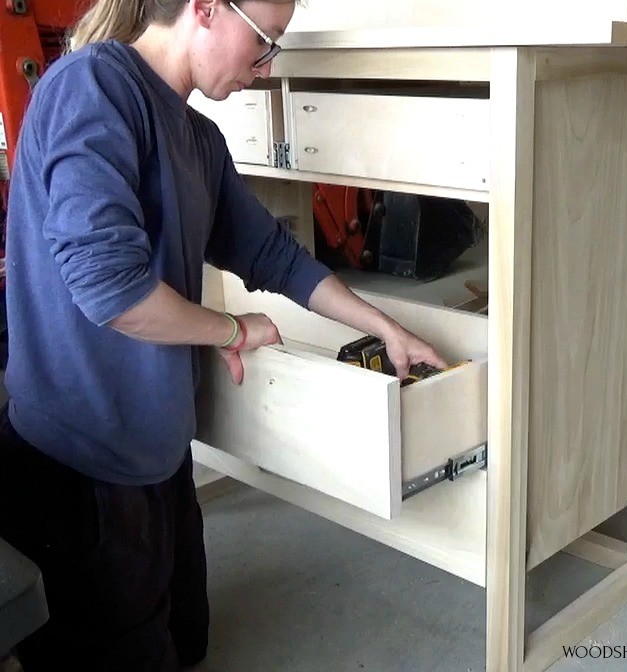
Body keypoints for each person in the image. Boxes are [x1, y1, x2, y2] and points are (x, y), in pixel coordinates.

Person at [0, 0, 448, 670]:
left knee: (189, 640)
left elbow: (276, 256)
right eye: (265, 43)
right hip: (81, 464)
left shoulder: (197, 139)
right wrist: (231, 327)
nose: (266, 70)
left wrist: (386, 328)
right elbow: (110, 289)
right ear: (206, 8)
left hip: (157, 451)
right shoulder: (92, 89)